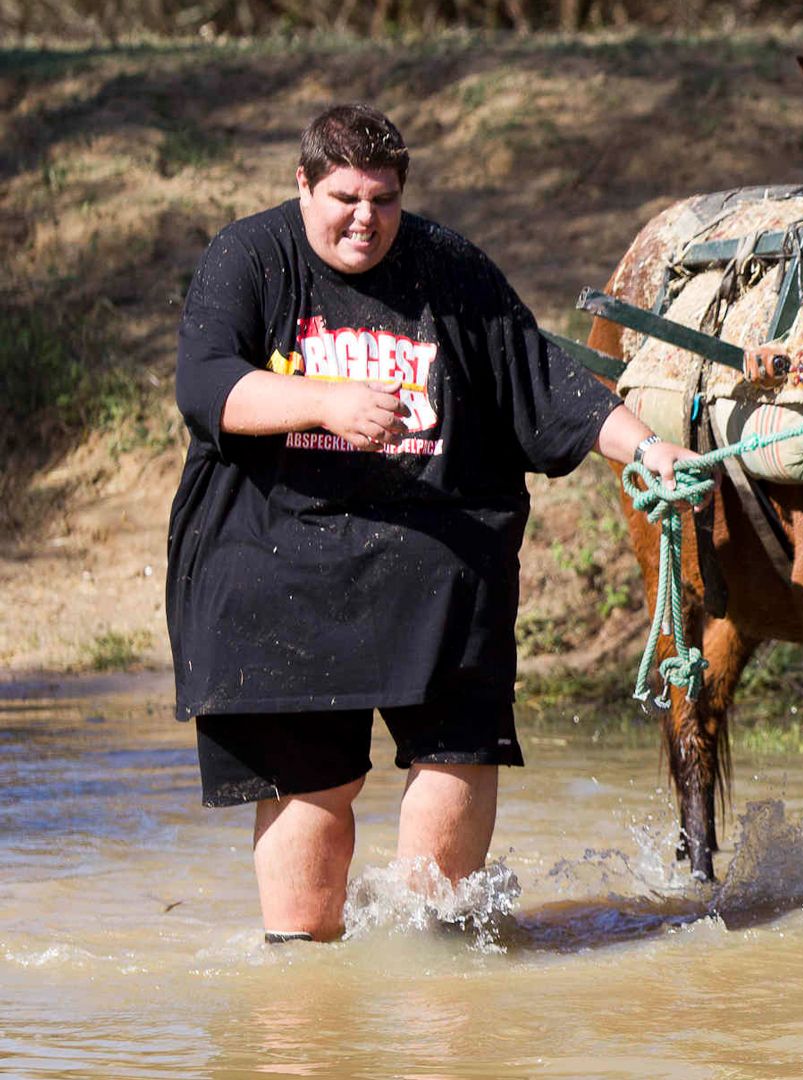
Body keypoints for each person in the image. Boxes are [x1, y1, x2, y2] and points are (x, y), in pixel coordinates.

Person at [167, 104, 702, 943]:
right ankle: (306, 990)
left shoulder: (449, 267)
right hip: (278, 562)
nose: (364, 219)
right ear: (302, 185)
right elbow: (207, 387)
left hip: (437, 563)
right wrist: (324, 401)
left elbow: (543, 383)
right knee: (315, 791)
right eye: (344, 196)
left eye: (382, 199)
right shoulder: (249, 257)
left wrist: (645, 449)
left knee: (458, 758)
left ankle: (433, 964)